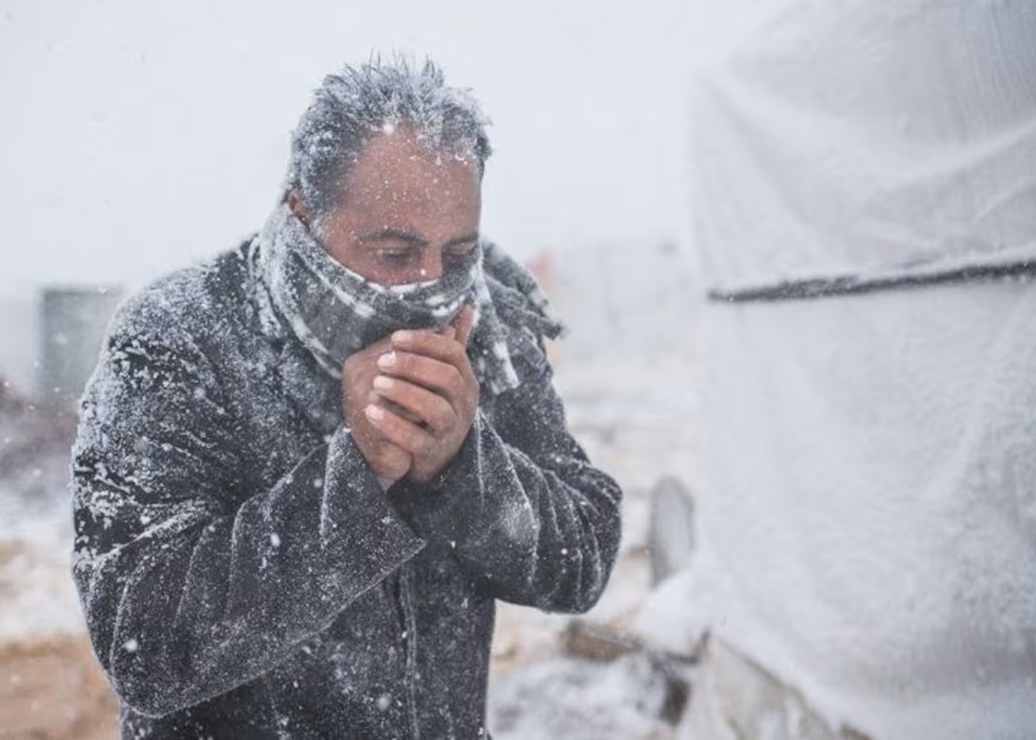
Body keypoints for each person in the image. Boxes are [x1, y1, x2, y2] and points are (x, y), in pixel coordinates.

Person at [70, 56, 623, 739]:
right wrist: (355, 476)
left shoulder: (488, 323)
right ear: (305, 210)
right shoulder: (180, 337)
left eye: (456, 255)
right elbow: (145, 644)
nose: (429, 285)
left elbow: (582, 558)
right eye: (394, 253)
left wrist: (461, 468)